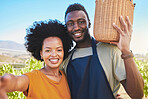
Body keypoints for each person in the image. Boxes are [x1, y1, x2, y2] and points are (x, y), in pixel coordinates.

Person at [62, 3, 144, 99]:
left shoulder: (111, 51)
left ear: (89, 23)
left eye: (81, 22)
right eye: (70, 24)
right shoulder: (66, 60)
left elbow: (137, 95)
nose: (76, 27)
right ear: (66, 28)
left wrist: (126, 50)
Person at [0, 19, 73, 99]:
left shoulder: (66, 77)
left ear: (64, 51)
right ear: (41, 53)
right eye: (48, 50)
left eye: (59, 50)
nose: (54, 54)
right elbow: (16, 81)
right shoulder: (33, 78)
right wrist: (6, 82)